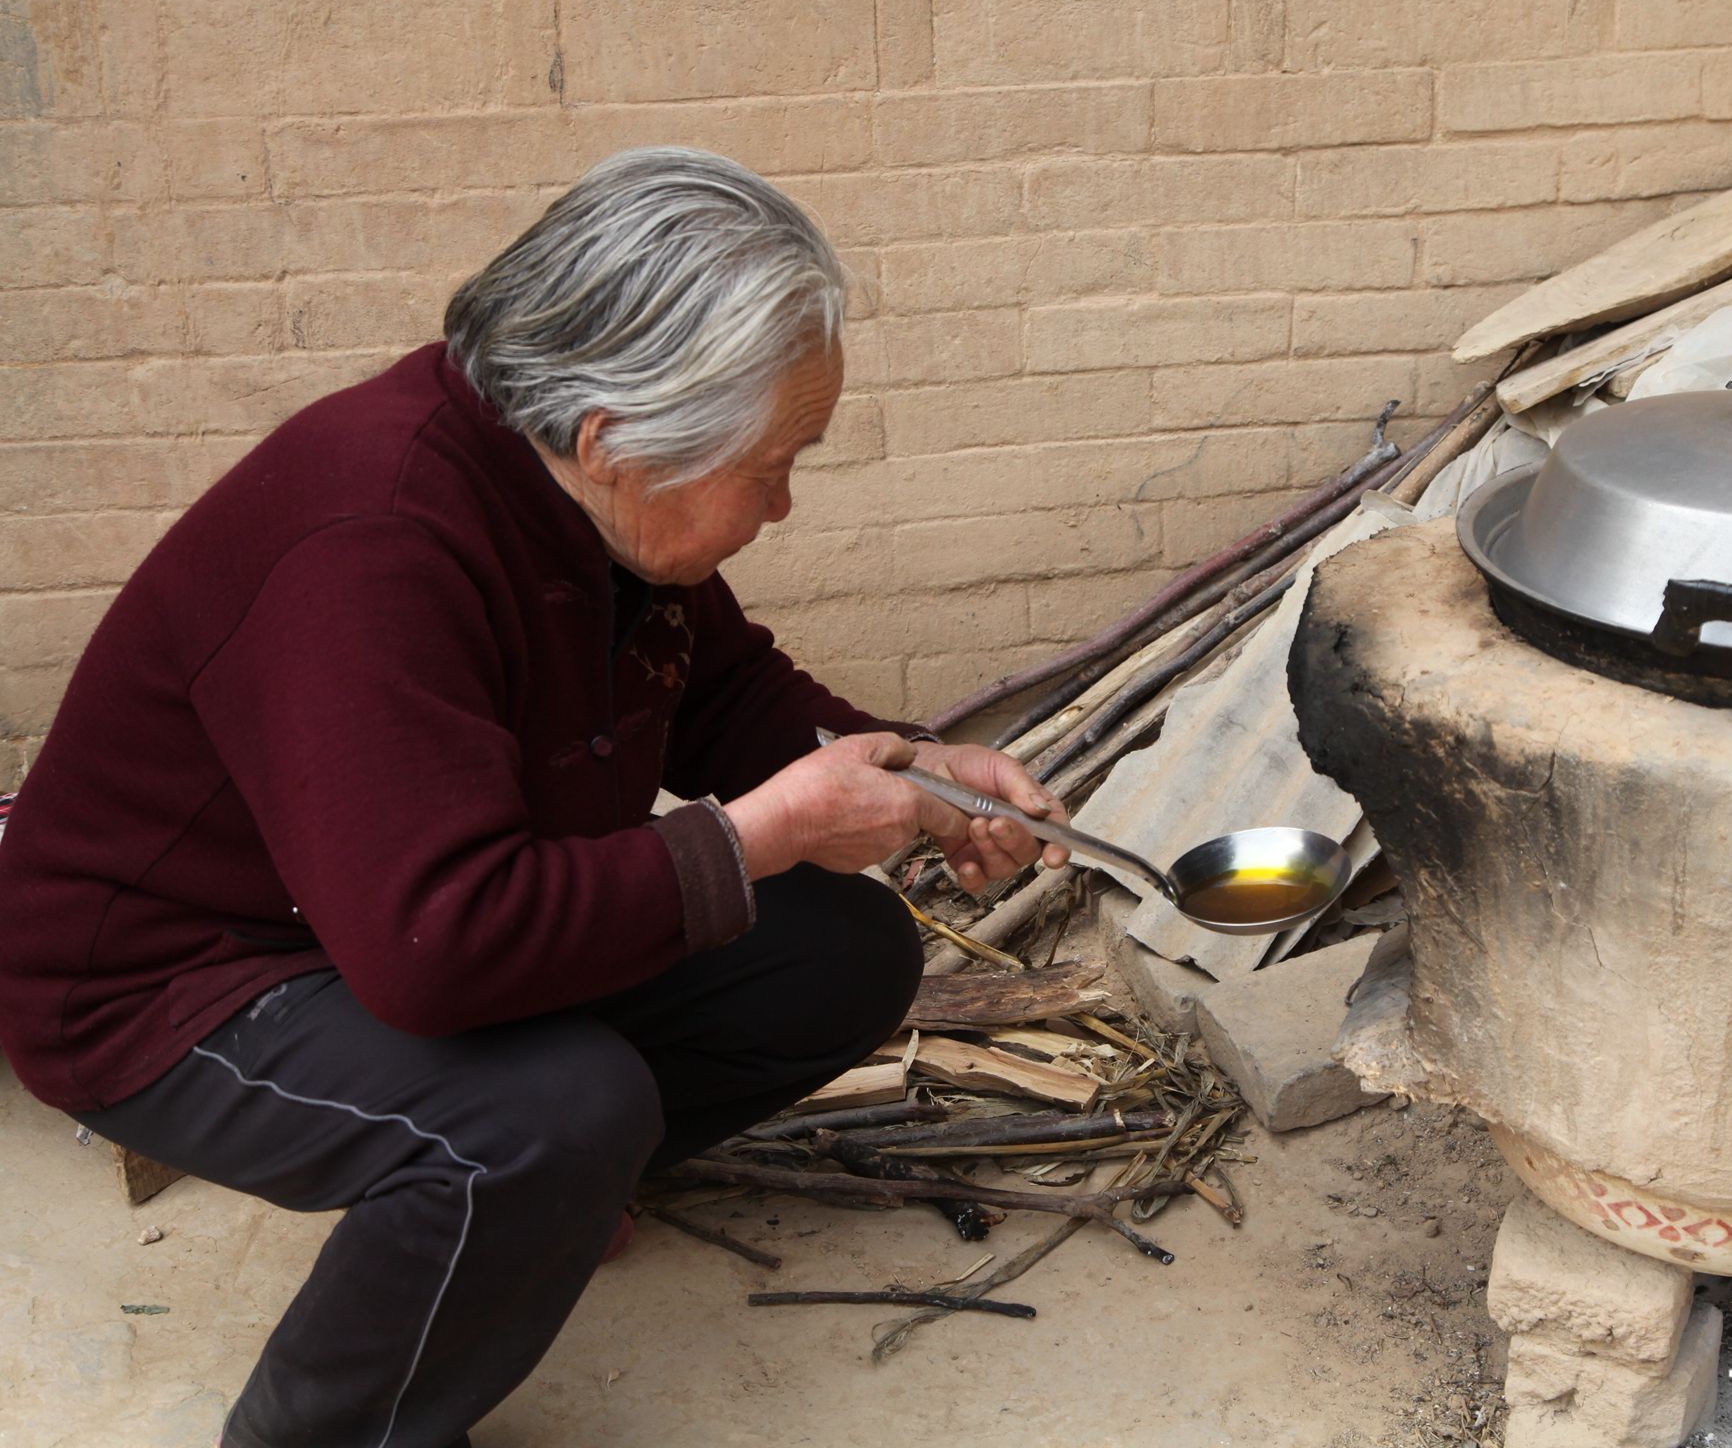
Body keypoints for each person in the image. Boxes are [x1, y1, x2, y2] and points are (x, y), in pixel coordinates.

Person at [0, 147, 1067, 1448]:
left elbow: (726, 696)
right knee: (548, 1116)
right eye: (770, 462)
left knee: (840, 952)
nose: (784, 503)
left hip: (374, 918)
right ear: (616, 437)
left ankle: (539, 1211)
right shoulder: (372, 546)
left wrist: (918, 768)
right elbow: (435, 953)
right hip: (177, 979)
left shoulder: (594, 499)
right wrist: (764, 834)